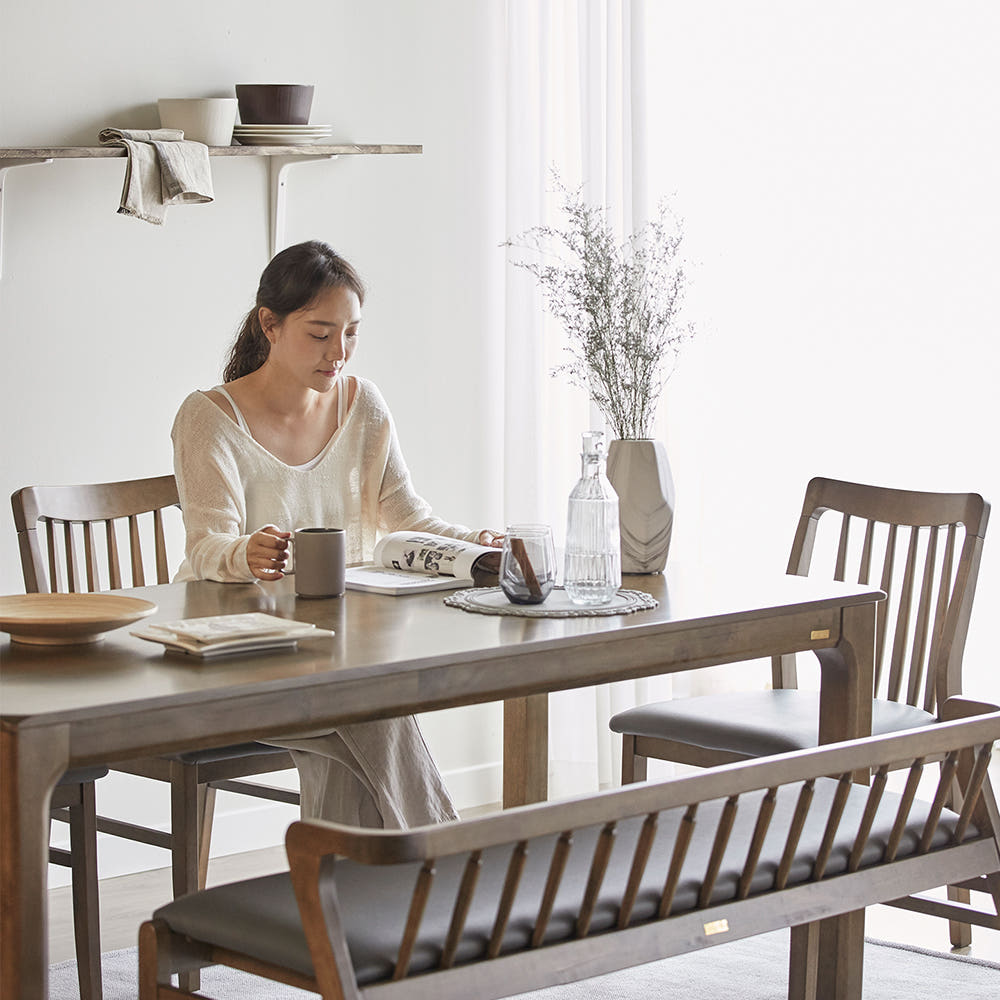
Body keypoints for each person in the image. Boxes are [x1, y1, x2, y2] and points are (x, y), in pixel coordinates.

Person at [171, 239, 501, 828]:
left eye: (351, 333)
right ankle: (444, 872)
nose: (338, 353)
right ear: (269, 325)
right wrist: (246, 553)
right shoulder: (209, 417)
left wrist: (474, 547)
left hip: (333, 653)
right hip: (234, 654)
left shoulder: (362, 404)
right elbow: (203, 549)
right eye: (320, 334)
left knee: (361, 713)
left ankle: (345, 903)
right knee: (372, 707)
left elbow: (407, 516)